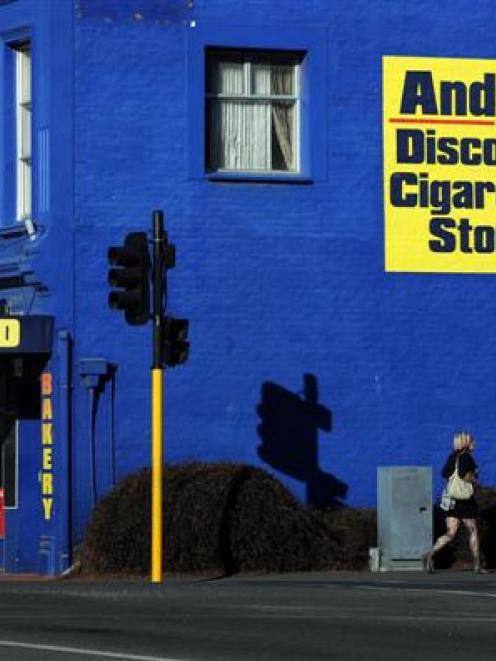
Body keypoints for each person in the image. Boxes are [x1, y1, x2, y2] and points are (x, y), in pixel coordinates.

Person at [422, 431, 487, 574]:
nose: (474, 443)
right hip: (464, 500)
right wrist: (474, 477)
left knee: (451, 533)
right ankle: (477, 565)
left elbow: (444, 473)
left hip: (451, 500)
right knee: (473, 530)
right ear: (466, 442)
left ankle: (429, 554)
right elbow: (465, 475)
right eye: (472, 441)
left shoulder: (453, 456)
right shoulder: (466, 457)